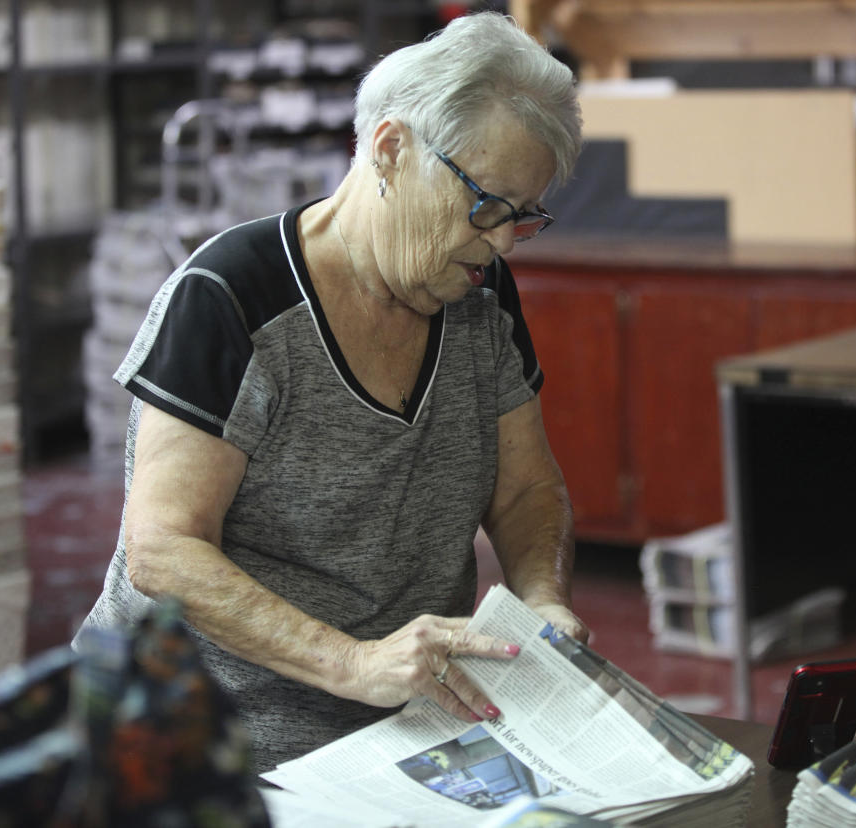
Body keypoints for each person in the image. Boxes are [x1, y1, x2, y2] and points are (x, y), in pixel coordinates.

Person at [77, 11, 588, 773]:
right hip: (202, 737)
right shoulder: (231, 299)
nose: (506, 241)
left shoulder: (480, 296)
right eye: (488, 205)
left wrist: (541, 597)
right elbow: (162, 547)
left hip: (403, 729)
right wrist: (351, 663)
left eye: (525, 216)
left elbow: (524, 491)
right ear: (390, 150)